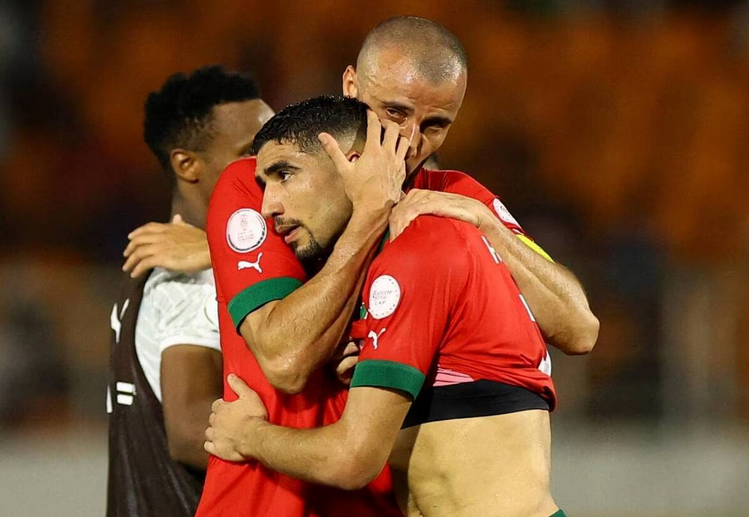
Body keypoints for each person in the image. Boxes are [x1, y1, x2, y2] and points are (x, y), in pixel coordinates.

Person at [206, 94, 594, 517]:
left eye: (285, 175)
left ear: (351, 163)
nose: (268, 205)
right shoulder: (405, 249)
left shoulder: (425, 245)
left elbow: (352, 458)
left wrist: (248, 436)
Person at [123, 16, 599, 356]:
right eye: (394, 112)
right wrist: (220, 250)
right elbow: (284, 355)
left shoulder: (454, 193)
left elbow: (580, 329)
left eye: (435, 124)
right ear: (351, 86)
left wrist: (486, 225)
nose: (411, 140)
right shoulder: (267, 180)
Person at [104, 65, 274, 517]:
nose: (270, 163)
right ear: (187, 164)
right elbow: (190, 428)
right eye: (250, 151)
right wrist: (316, 448)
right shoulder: (194, 279)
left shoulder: (192, 263)